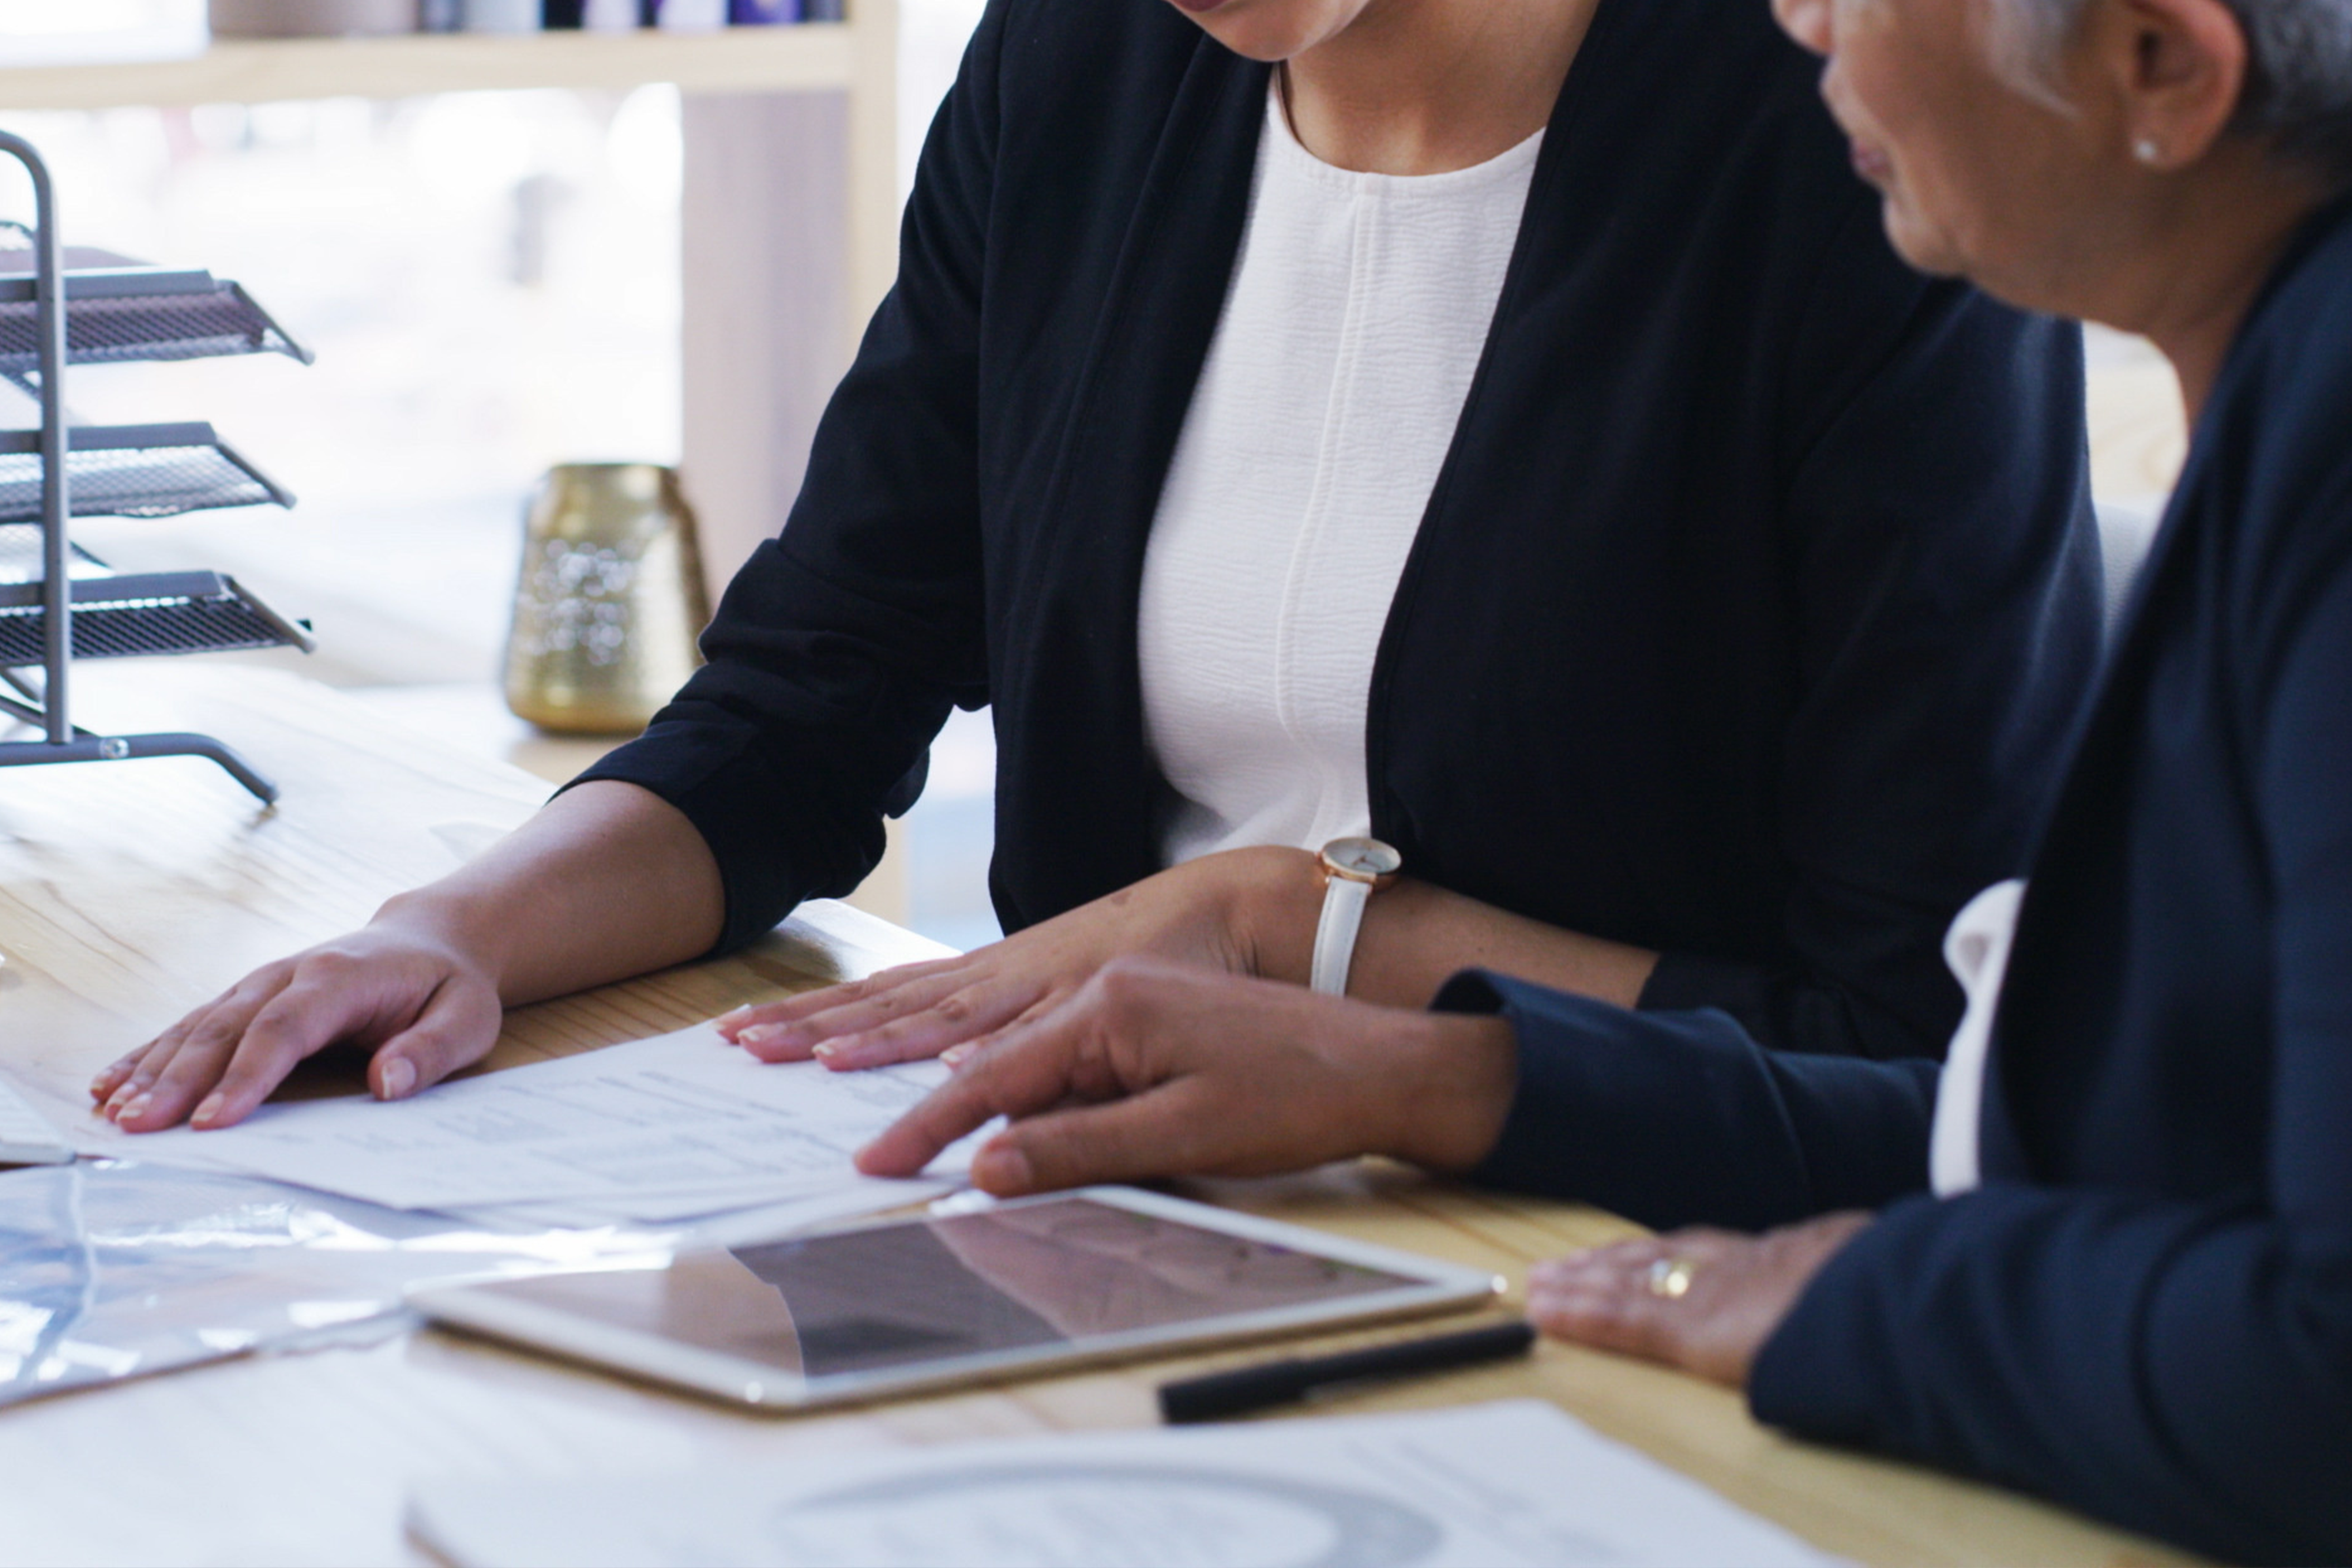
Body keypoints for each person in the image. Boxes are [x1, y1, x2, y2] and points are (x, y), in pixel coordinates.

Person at [856, 0, 2352, 1557]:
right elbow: (2040, 1130)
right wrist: (1421, 1076)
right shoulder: (2280, 392)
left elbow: (2320, 1375)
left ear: (2164, 68)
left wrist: (1856, 1302)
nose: (1801, 17)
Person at [90, 0, 2097, 1132]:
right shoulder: (1076, 73)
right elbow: (811, 694)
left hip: (1599, 1235)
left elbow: (1920, 1045)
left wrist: (1299, 933)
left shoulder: (1862, 146)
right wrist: (458, 929)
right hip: (1091, 1201)